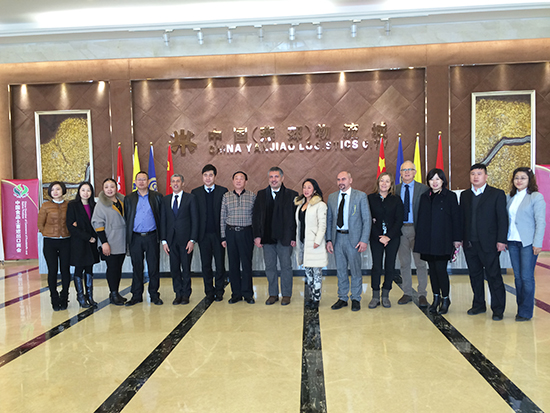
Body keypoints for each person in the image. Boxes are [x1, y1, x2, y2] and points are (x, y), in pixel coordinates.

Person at [460, 163, 508, 321]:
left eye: (479, 174)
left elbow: (502, 219)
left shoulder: (496, 194)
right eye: (473, 174)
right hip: (470, 243)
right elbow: (462, 219)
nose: (476, 177)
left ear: (486, 176)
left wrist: (501, 240)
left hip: (489, 243)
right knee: (475, 275)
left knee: (494, 276)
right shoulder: (465, 195)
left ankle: (498, 309)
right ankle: (479, 304)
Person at [414, 169, 462, 314]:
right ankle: (436, 298)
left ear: (443, 181)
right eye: (431, 179)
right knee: (432, 271)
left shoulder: (450, 196)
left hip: (443, 240)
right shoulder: (424, 196)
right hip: (427, 241)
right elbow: (421, 219)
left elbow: (456, 218)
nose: (434, 182)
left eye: (437, 179)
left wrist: (457, 239)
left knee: (441, 270)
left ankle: (445, 298)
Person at [326, 171, 371, 312]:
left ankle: (356, 298)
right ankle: (342, 298)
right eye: (338, 179)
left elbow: (367, 219)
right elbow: (329, 220)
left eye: (343, 179)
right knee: (341, 270)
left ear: (350, 180)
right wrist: (329, 240)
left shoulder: (360, 196)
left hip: (354, 239)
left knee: (356, 270)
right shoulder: (332, 197)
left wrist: (364, 240)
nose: (341, 182)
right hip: (337, 238)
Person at [253, 167, 298, 306]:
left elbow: (295, 219)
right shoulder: (261, 194)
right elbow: (256, 216)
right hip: (267, 238)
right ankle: (273, 294)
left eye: (276, 177)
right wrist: (257, 236)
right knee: (270, 267)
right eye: (271, 177)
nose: (274, 179)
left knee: (286, 267)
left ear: (282, 178)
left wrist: (294, 237)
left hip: (285, 238)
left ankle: (286, 294)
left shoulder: (292, 195)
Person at [507, 167, 546, 321]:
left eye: (523, 178)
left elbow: (540, 222)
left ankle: (526, 312)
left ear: (529, 180)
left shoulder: (535, 197)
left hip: (528, 243)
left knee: (527, 277)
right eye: (516, 178)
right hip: (512, 242)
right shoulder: (510, 197)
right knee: (517, 277)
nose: (519, 181)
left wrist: (537, 243)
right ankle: (520, 308)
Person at [124, 171, 164, 306]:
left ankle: (154, 295)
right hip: (135, 237)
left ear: (148, 182)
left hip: (152, 236)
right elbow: (127, 218)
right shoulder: (129, 198)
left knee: (153, 267)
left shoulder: (157, 197)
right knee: (137, 267)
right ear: (135, 182)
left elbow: (161, 217)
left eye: (144, 179)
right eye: (139, 179)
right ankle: (136, 295)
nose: (141, 182)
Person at [191, 164, 228, 302]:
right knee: (206, 265)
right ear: (202, 177)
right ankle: (209, 292)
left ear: (215, 177)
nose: (208, 178)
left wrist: (224, 235)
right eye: (205, 175)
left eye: (210, 175)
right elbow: (194, 215)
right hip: (203, 235)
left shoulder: (223, 191)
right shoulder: (195, 192)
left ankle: (219, 291)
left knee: (220, 265)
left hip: (219, 235)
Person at [396, 160, 430, 308]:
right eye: (404, 170)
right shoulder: (395, 189)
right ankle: (407, 292)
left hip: (418, 230)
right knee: (404, 263)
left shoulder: (423, 189)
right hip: (401, 229)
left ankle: (422, 294)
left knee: (420, 263)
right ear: (400, 173)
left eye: (410, 169)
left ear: (415, 172)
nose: (407, 172)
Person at [367, 172, 404, 309]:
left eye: (387, 181)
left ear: (391, 184)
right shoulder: (370, 198)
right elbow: (368, 219)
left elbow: (399, 220)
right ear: (378, 182)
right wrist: (379, 236)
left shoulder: (396, 199)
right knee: (376, 266)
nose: (384, 183)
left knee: (390, 266)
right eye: (382, 180)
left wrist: (388, 236)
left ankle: (385, 295)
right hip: (376, 237)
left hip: (392, 238)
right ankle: (375, 296)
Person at [162, 174, 198, 305]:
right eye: (173, 181)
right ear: (170, 184)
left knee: (186, 268)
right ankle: (178, 293)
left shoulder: (190, 198)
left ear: (183, 183)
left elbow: (195, 220)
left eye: (178, 181)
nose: (175, 183)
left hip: (186, 240)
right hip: (171, 240)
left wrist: (192, 240)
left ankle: (186, 294)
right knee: (174, 268)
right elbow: (163, 220)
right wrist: (164, 241)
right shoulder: (165, 199)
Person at [220, 171, 256, 304]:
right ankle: (236, 294)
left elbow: (255, 217)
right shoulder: (226, 196)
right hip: (231, 233)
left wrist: (255, 236)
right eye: (236, 178)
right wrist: (223, 237)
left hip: (247, 233)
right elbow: (222, 217)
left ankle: (248, 294)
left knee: (246, 264)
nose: (239, 181)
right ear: (233, 181)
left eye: (241, 179)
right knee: (233, 264)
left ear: (246, 181)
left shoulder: (252, 196)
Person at [92, 178, 127, 305]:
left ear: (116, 188)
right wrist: (104, 243)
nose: (109, 189)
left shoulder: (122, 200)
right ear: (103, 189)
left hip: (122, 240)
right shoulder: (101, 204)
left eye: (112, 186)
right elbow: (98, 224)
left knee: (118, 268)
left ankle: (115, 293)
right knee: (112, 268)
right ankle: (113, 293)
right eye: (106, 187)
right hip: (109, 241)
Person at [294, 178, 327, 309]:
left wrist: (317, 241)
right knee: (308, 273)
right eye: (304, 187)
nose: (306, 190)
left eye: (309, 187)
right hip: (303, 243)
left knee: (316, 273)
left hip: (314, 244)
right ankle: (311, 296)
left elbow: (322, 225)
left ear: (314, 189)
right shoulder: (301, 205)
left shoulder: (320, 205)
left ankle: (316, 298)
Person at [38, 181, 71, 311]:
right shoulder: (45, 206)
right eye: (52, 190)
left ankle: (64, 296)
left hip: (66, 241)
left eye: (58, 189)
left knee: (65, 270)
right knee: (52, 270)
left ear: (63, 190)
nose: (55, 192)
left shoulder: (69, 205)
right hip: (50, 242)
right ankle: (54, 297)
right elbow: (40, 224)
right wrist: (47, 233)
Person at [66, 181, 100, 308]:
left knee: (89, 269)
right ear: (79, 191)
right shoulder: (73, 205)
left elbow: (96, 223)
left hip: (92, 242)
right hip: (79, 242)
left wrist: (92, 236)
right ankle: (80, 297)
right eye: (83, 190)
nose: (86, 193)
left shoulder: (94, 205)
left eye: (88, 190)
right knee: (79, 269)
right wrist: (87, 236)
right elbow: (71, 226)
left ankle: (90, 297)